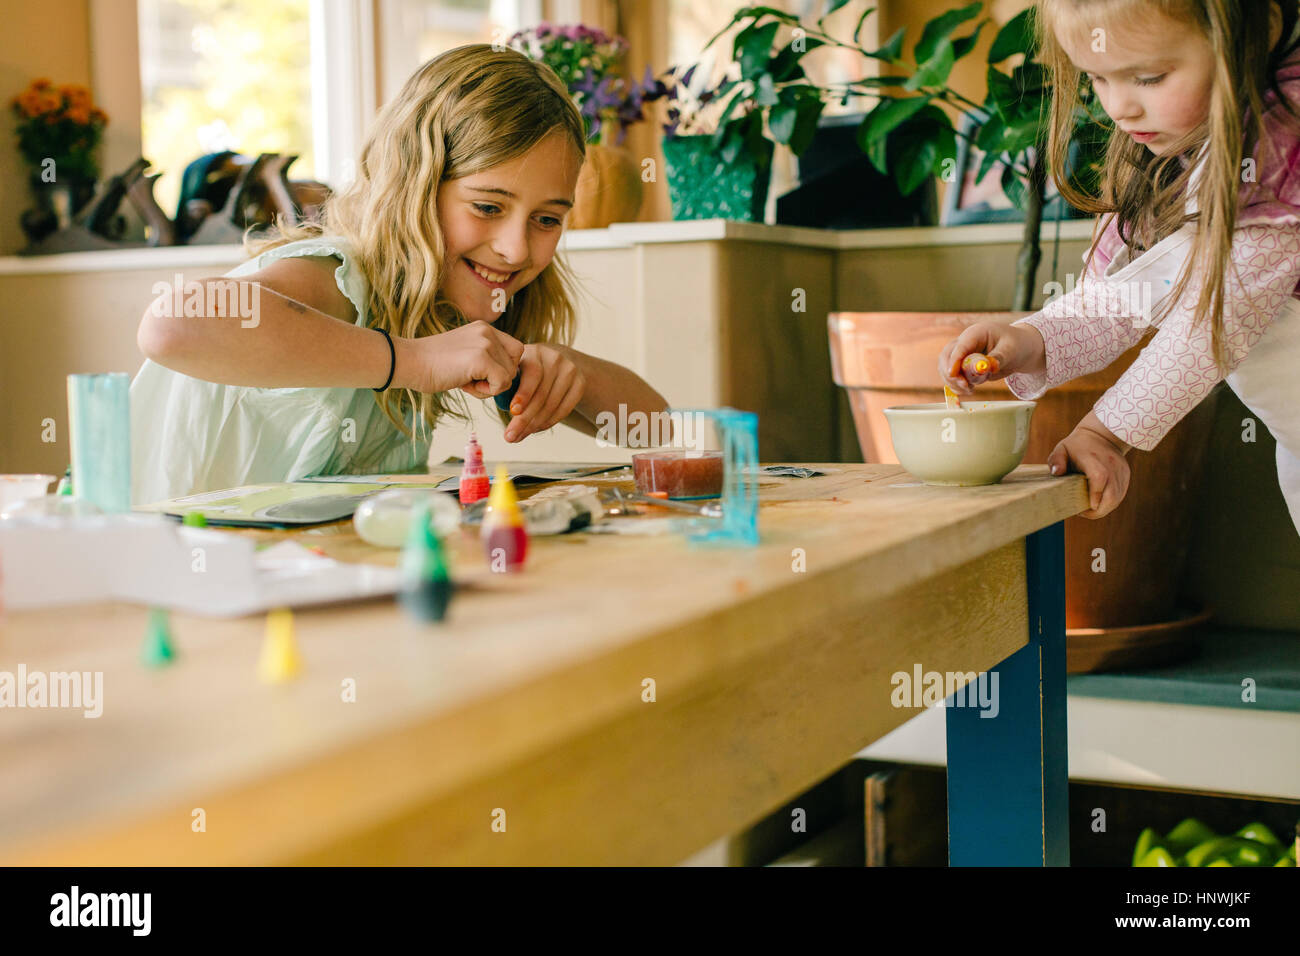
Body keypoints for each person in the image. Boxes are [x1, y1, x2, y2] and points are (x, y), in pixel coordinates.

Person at [131, 44, 667, 505]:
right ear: (415, 187)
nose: (514, 248)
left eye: (546, 220)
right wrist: (413, 361)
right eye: (486, 207)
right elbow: (173, 324)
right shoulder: (339, 279)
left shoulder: (453, 302)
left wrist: (571, 373)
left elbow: (660, 430)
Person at [939, 0, 1300, 528]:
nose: (1119, 108)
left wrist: (1105, 433)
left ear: (1252, 33)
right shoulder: (1173, 152)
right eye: (1096, 79)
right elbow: (1122, 300)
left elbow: (1210, 324)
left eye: (1149, 77)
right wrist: (1030, 340)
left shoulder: (1281, 146)